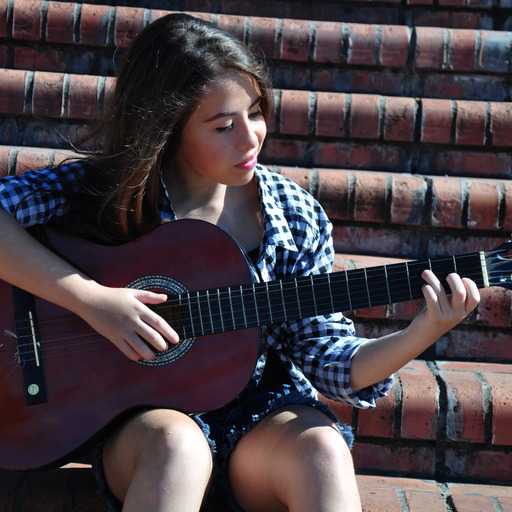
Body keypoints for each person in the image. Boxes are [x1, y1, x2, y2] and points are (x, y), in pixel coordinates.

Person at [0, 13, 480, 512]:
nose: (250, 138)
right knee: (176, 450)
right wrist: (90, 300)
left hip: (259, 415)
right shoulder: (107, 194)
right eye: (224, 125)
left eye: (256, 113)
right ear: (168, 128)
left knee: (321, 449)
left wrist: (419, 333)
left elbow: (325, 355)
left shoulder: (292, 215)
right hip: (148, 418)